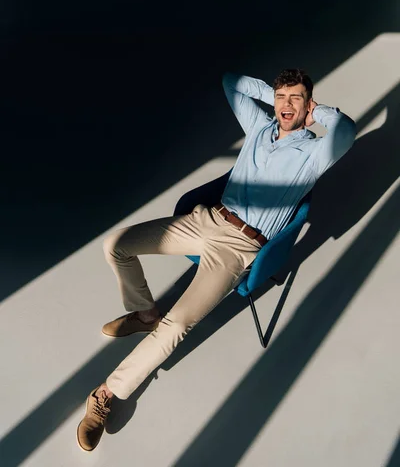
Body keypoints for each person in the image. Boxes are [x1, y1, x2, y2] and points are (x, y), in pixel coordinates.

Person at [76, 69, 356, 451]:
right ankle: (144, 314)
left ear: (308, 102)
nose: (286, 105)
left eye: (296, 98)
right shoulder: (260, 126)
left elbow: (347, 131)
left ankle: (107, 394)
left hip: (239, 248)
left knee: (178, 325)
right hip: (207, 219)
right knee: (116, 245)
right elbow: (232, 83)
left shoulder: (313, 153)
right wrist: (274, 98)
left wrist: (317, 111)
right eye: (281, 97)